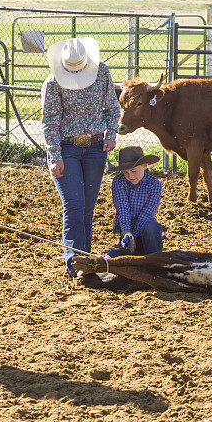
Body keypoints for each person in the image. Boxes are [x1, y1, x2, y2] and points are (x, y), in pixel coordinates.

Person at [41, 37, 120, 277]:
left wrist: (112, 133)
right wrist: (55, 156)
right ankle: (74, 262)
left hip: (96, 147)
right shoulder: (53, 83)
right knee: (74, 205)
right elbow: (50, 122)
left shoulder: (102, 72)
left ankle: (84, 261)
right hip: (67, 148)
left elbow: (112, 107)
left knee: (86, 207)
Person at [106, 146, 164, 258]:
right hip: (127, 233)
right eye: (126, 172)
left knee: (152, 226)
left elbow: (147, 214)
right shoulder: (118, 181)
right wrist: (127, 233)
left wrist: (133, 237)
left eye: (133, 171)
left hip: (146, 233)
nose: (130, 176)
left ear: (145, 166)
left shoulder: (155, 184)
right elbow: (123, 209)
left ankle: (155, 260)